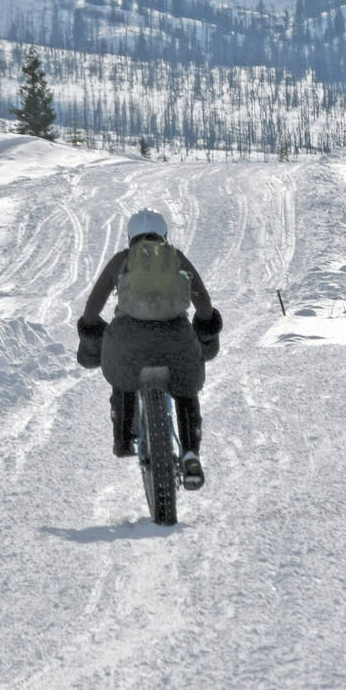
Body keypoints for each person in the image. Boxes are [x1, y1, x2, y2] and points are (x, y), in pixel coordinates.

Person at [75, 209, 222, 489]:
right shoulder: (175, 257)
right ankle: (190, 452)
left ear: (130, 236)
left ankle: (122, 439)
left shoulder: (122, 260)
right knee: (185, 391)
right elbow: (203, 301)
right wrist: (206, 332)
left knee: (122, 373)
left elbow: (93, 307)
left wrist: (92, 338)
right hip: (176, 339)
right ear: (163, 234)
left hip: (129, 338)